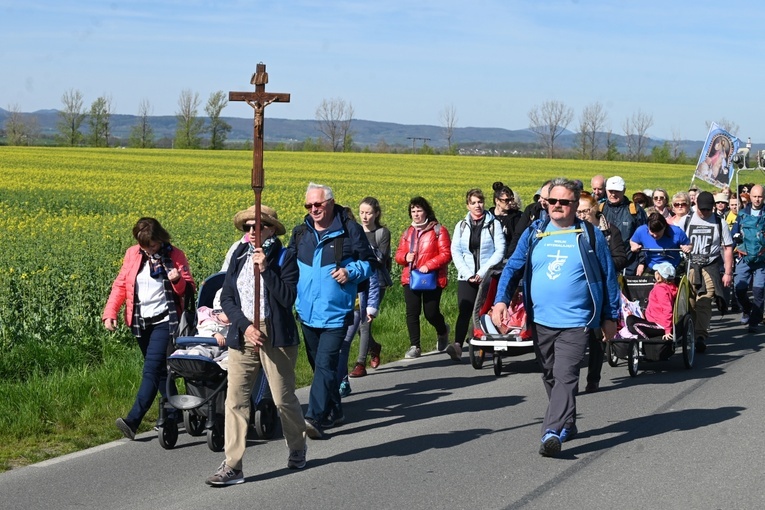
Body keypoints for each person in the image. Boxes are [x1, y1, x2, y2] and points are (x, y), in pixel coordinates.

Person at [491, 178, 620, 458]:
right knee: (549, 373)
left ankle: (551, 431)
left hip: (577, 321)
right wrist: (501, 299)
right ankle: (567, 422)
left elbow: (608, 276)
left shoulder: (589, 234)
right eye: (553, 201)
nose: (557, 206)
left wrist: (611, 316)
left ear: (575, 205)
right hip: (541, 321)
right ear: (545, 203)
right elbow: (513, 267)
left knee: (565, 375)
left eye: (564, 202)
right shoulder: (535, 231)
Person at [205, 205, 308, 486]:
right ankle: (233, 466)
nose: (251, 232)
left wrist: (266, 270)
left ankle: (297, 446)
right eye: (248, 227)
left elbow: (287, 299)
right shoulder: (239, 255)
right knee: (235, 399)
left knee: (282, 398)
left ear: (271, 229)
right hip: (244, 331)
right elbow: (226, 298)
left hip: (275, 334)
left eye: (258, 226)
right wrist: (245, 327)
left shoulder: (285, 257)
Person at [291, 183, 376, 439]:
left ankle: (314, 417)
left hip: (336, 313)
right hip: (306, 313)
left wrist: (350, 272)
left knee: (326, 365)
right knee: (317, 365)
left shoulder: (349, 230)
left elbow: (370, 263)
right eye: (309, 205)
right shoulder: (300, 233)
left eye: (318, 204)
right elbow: (288, 268)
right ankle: (335, 410)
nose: (313, 209)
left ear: (330, 202)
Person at [102, 217, 195, 440]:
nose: (149, 250)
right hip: (140, 322)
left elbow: (188, 290)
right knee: (160, 372)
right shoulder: (133, 254)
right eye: (144, 246)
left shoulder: (175, 255)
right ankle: (174, 411)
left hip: (166, 321)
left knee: (151, 370)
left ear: (161, 239)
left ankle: (133, 420)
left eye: (152, 245)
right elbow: (121, 284)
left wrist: (176, 280)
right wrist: (110, 312)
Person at [577, 194, 628, 393]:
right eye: (578, 211)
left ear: (595, 209)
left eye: (585, 211)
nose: (581, 215)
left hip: (601, 288)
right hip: (580, 288)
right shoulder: (573, 230)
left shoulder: (609, 231)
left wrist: (599, 266)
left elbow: (621, 258)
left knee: (596, 336)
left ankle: (593, 377)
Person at [449, 188, 505, 362]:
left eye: (480, 202)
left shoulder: (493, 224)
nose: (477, 205)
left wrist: (482, 273)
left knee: (484, 310)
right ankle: (457, 346)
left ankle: (487, 344)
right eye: (473, 202)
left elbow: (500, 250)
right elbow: (455, 251)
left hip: (487, 275)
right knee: (464, 310)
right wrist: (468, 274)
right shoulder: (461, 225)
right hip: (466, 276)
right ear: (468, 205)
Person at [394, 196, 452, 359]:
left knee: (430, 313)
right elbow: (398, 255)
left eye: (419, 210)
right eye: (413, 211)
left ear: (426, 211)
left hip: (431, 277)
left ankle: (442, 330)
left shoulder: (438, 230)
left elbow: (446, 254)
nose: (416, 214)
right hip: (410, 277)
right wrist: (405, 257)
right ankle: (415, 346)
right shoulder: (408, 232)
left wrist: (429, 265)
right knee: (412, 312)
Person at [680, 191, 734, 352]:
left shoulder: (719, 222)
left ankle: (700, 336)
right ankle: (690, 330)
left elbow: (728, 247)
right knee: (689, 302)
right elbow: (675, 239)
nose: (704, 213)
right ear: (695, 205)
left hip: (710, 266)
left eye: (707, 210)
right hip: (689, 266)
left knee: (705, 300)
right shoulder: (686, 220)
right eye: (701, 209)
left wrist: (728, 272)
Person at [349, 196, 391, 378]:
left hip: (377, 283)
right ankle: (374, 347)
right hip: (358, 282)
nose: (364, 216)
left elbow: (380, 259)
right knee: (357, 324)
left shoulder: (382, 233)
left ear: (376, 214)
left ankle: (360, 363)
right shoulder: (354, 231)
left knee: (364, 322)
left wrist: (363, 249)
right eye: (362, 213)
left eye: (368, 213)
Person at [731, 185, 765, 334]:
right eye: (755, 196)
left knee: (759, 290)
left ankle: (754, 321)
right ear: (749, 196)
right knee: (739, 289)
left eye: (760, 196)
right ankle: (747, 309)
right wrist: (734, 240)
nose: (757, 199)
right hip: (744, 257)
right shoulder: (742, 214)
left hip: (762, 259)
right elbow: (734, 234)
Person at [600, 175, 647, 275]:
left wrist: (642, 262)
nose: (613, 194)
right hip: (606, 262)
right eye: (610, 191)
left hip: (630, 265)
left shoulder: (635, 210)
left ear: (624, 191)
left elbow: (645, 236)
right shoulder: (600, 209)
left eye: (617, 191)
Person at [625, 262, 678, 340]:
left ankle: (644, 345)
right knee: (630, 318)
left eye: (656, 272)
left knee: (634, 325)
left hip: (660, 325)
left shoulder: (661, 290)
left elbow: (667, 310)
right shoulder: (665, 287)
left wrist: (667, 330)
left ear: (659, 276)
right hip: (653, 319)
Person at [491, 181, 522, 260]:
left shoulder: (516, 217)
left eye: (511, 199)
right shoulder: (489, 217)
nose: (510, 202)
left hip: (508, 258)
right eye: (506, 200)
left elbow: (516, 240)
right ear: (497, 200)